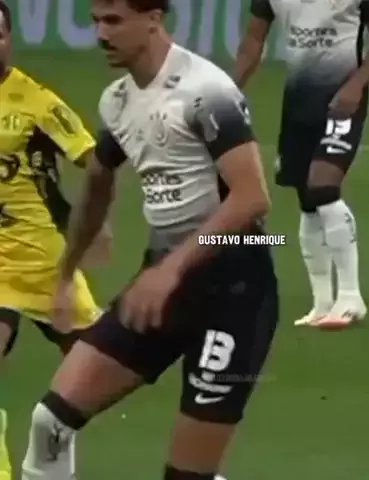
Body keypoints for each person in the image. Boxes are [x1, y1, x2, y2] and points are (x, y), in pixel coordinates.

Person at [21, 1, 279, 479]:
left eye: (113, 20)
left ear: (154, 18)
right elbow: (99, 179)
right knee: (49, 423)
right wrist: (67, 271)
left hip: (233, 293)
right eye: (95, 21)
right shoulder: (117, 101)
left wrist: (170, 270)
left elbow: (251, 199)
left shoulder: (204, 90)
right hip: (159, 291)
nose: (101, 34)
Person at [0, 2, 112, 479]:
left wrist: (95, 222)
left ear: (10, 39)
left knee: (98, 372)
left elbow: (94, 159)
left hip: (46, 262)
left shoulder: (38, 103)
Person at [234, 0, 369, 329]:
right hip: (298, 100)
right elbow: (253, 39)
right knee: (307, 201)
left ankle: (350, 296)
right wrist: (228, 88)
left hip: (344, 100)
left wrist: (357, 84)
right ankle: (321, 303)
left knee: (324, 187)